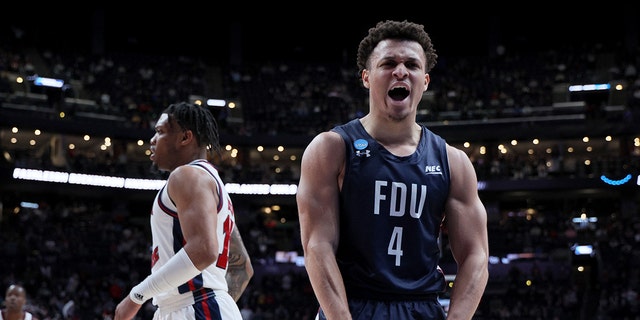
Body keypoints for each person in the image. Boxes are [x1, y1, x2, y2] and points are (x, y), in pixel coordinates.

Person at [296, 20, 489, 320]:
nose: (400, 71)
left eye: (411, 64)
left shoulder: (453, 162)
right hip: (353, 305)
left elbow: (476, 256)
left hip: (422, 307)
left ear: (424, 81)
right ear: (366, 77)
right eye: (388, 63)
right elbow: (317, 246)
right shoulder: (331, 149)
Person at [115, 101, 254, 320]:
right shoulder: (211, 184)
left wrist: (136, 296)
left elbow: (204, 249)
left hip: (195, 306)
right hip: (193, 307)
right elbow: (242, 266)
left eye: (160, 132)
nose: (152, 140)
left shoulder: (187, 175)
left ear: (185, 138)